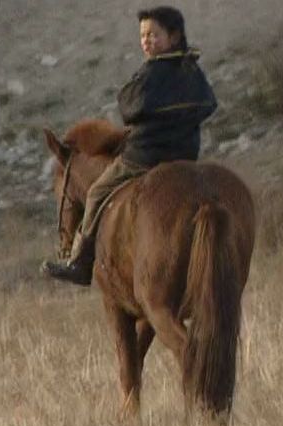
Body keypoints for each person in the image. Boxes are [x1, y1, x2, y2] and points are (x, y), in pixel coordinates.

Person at [42, 6, 217, 286]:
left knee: (98, 191)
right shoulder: (192, 70)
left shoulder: (152, 71)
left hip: (145, 156)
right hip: (185, 155)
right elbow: (209, 104)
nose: (147, 41)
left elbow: (129, 108)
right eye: (143, 35)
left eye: (154, 35)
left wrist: (151, 117)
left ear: (173, 37)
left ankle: (80, 263)